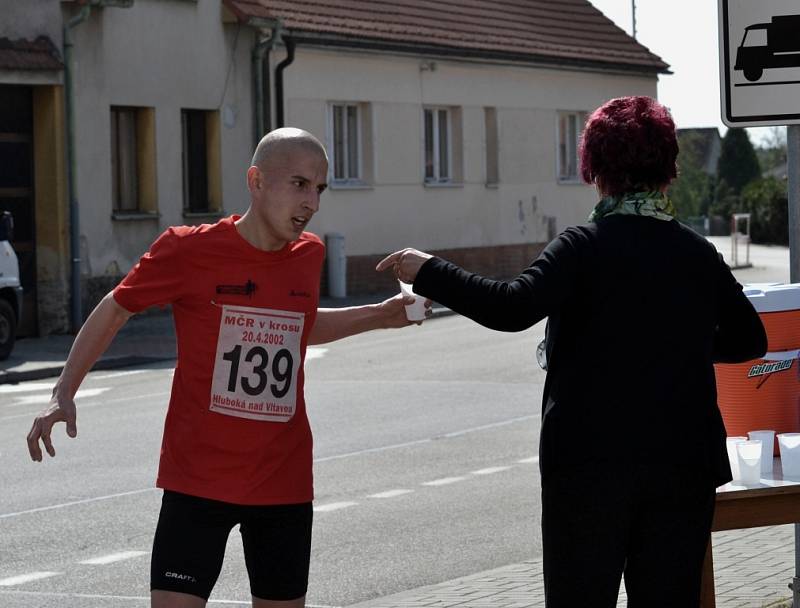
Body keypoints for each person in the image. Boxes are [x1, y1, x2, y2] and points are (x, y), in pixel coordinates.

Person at [377, 96, 767, 608]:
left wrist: (428, 269)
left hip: (589, 467)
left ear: (595, 169)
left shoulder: (582, 246)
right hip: (682, 466)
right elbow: (749, 340)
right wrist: (673, 342)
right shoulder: (697, 252)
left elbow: (512, 307)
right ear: (667, 170)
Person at [27, 128, 427, 608]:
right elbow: (116, 307)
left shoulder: (309, 255)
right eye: (299, 184)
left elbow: (296, 325)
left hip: (283, 480)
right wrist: (62, 391)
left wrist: (382, 315)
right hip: (197, 479)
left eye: (319, 189)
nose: (312, 203)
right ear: (256, 181)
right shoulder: (187, 250)